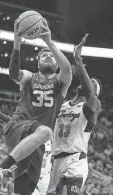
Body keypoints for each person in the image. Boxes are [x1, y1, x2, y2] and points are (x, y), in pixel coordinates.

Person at [0, 17, 72, 195]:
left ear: (56, 64)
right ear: (38, 63)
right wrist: (17, 43)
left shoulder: (61, 83)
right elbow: (14, 74)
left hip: (35, 143)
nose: (48, 56)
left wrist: (49, 42)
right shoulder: (30, 77)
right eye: (44, 55)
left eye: (51, 56)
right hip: (20, 127)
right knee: (46, 132)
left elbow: (68, 69)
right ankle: (2, 167)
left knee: (23, 191)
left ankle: (4, 173)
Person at [46, 34, 102, 195]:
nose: (87, 82)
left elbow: (90, 95)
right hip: (55, 162)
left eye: (92, 84)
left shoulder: (91, 107)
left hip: (75, 161)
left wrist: (78, 60)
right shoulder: (63, 105)